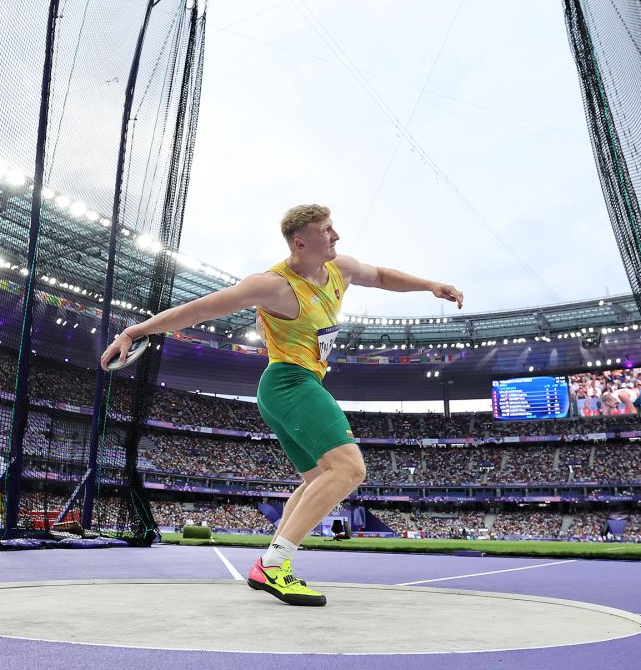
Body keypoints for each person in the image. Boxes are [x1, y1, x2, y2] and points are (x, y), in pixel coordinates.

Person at [100, 204, 462, 606]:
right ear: (300, 242)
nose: (336, 236)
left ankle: (270, 561)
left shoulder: (340, 268)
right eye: (327, 230)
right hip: (289, 381)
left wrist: (431, 285)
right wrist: (134, 330)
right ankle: (275, 566)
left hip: (290, 386)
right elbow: (200, 308)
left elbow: (379, 276)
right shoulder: (273, 285)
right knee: (349, 468)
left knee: (316, 479)